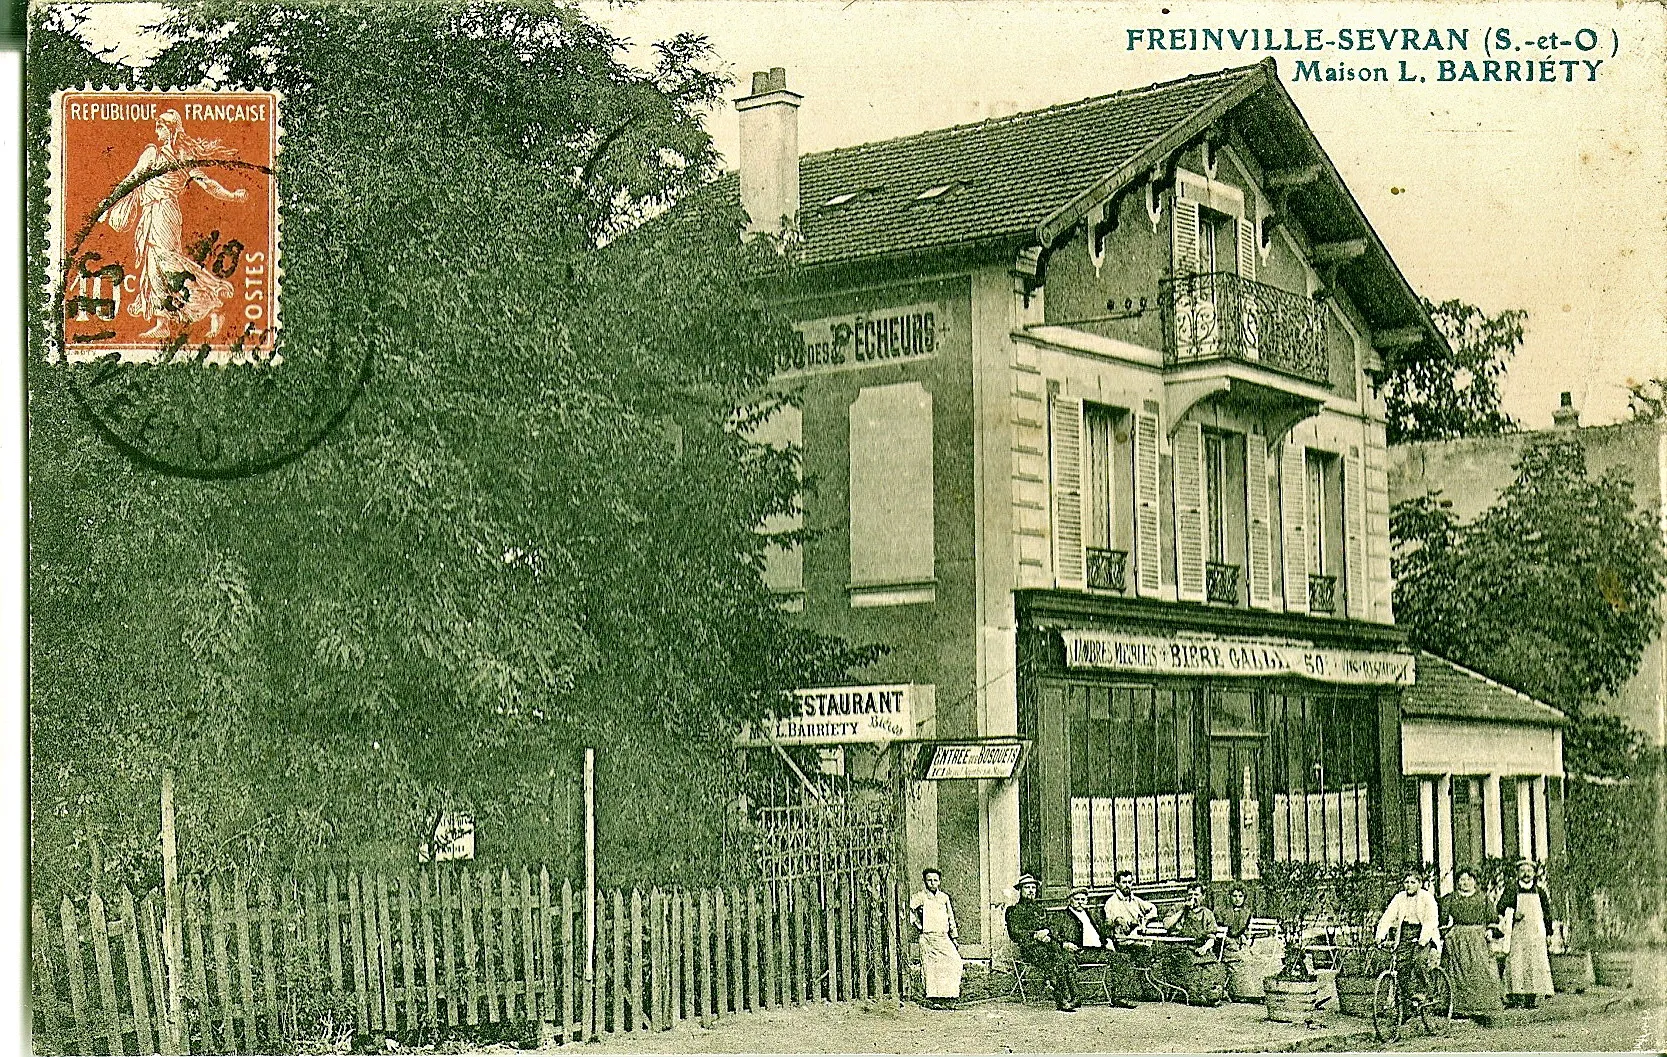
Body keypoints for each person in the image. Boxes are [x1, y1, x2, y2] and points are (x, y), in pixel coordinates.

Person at [106, 109, 247, 340]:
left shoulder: (183, 157)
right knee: (153, 269)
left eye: (160, 127)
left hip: (166, 213)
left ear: (171, 130)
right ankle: (162, 322)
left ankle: (213, 304)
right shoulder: (152, 153)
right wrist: (110, 201)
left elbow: (207, 184)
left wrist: (231, 196)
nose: (156, 131)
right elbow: (131, 179)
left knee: (170, 265)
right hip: (150, 213)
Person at [1005, 873, 1081, 1011]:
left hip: (1048, 944)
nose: (1031, 891)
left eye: (1033, 887)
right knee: (1054, 960)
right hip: (1030, 949)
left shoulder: (1040, 909)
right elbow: (1015, 933)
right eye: (1027, 887)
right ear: (1020, 890)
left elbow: (1051, 927)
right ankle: (1061, 999)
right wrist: (1034, 935)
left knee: (1067, 957)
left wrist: (1049, 933)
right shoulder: (1013, 911)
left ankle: (1075, 997)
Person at [1053, 888, 1138, 1008]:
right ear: (1070, 900)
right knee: (1067, 961)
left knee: (1122, 958)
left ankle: (1119, 997)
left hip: (1097, 951)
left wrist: (1108, 940)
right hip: (1078, 951)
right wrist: (1064, 944)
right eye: (1077, 899)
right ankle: (1075, 998)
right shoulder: (1062, 916)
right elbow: (1054, 935)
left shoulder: (1091, 914)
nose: (1080, 902)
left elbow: (1102, 930)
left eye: (1083, 899)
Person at [1439, 866, 1505, 1016]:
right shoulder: (1450, 898)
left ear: (1474, 881)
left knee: (1481, 969)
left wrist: (1489, 930)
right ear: (1457, 882)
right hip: (1458, 938)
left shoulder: (1483, 898)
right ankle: (1457, 1008)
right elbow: (1442, 920)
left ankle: (1484, 1006)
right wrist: (1447, 934)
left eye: (1469, 879)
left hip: (1478, 937)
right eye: (1462, 879)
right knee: (1457, 971)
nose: (1465, 882)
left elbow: (1492, 919)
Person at [1375, 869, 1442, 1002]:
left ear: (1419, 883)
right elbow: (1388, 916)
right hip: (1405, 933)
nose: (1409, 885)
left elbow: (1431, 920)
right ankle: (1407, 1003)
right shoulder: (1399, 898)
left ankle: (1425, 991)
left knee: (1418, 961)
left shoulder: (1427, 898)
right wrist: (1380, 935)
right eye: (1406, 882)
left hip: (1424, 933)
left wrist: (1423, 939)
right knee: (1402, 966)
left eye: (1413, 882)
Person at [1497, 860, 1555, 1009]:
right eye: (1522, 870)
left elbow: (1547, 914)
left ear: (1534, 873)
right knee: (1517, 963)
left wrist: (1549, 932)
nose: (1526, 874)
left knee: (1534, 963)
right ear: (1518, 873)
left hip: (1535, 933)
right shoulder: (1511, 889)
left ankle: (1531, 997)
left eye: (1529, 870)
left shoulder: (1540, 891)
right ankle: (1516, 997)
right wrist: (1512, 914)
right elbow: (1500, 907)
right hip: (1518, 933)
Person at [908, 868, 963, 1009]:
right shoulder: (920, 897)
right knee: (931, 968)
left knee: (954, 962)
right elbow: (909, 911)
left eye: (935, 880)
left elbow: (950, 917)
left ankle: (950, 997)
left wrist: (954, 937)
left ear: (939, 881)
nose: (932, 883)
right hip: (928, 937)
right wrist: (919, 925)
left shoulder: (944, 898)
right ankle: (934, 999)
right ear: (925, 881)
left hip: (943, 936)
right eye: (929, 880)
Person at [1102, 869, 1158, 936]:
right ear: (1117, 884)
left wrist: (1145, 920)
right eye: (1124, 882)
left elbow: (1153, 909)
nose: (1127, 885)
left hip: (1139, 936)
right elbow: (1110, 924)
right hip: (1123, 939)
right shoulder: (1111, 902)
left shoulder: (1135, 900)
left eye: (1129, 882)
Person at [1220, 885, 1253, 951]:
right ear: (1230, 896)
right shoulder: (1223, 912)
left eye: (1240, 896)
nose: (1237, 899)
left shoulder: (1247, 912)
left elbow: (1247, 929)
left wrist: (1244, 936)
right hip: (1226, 942)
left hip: (1242, 942)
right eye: (1234, 896)